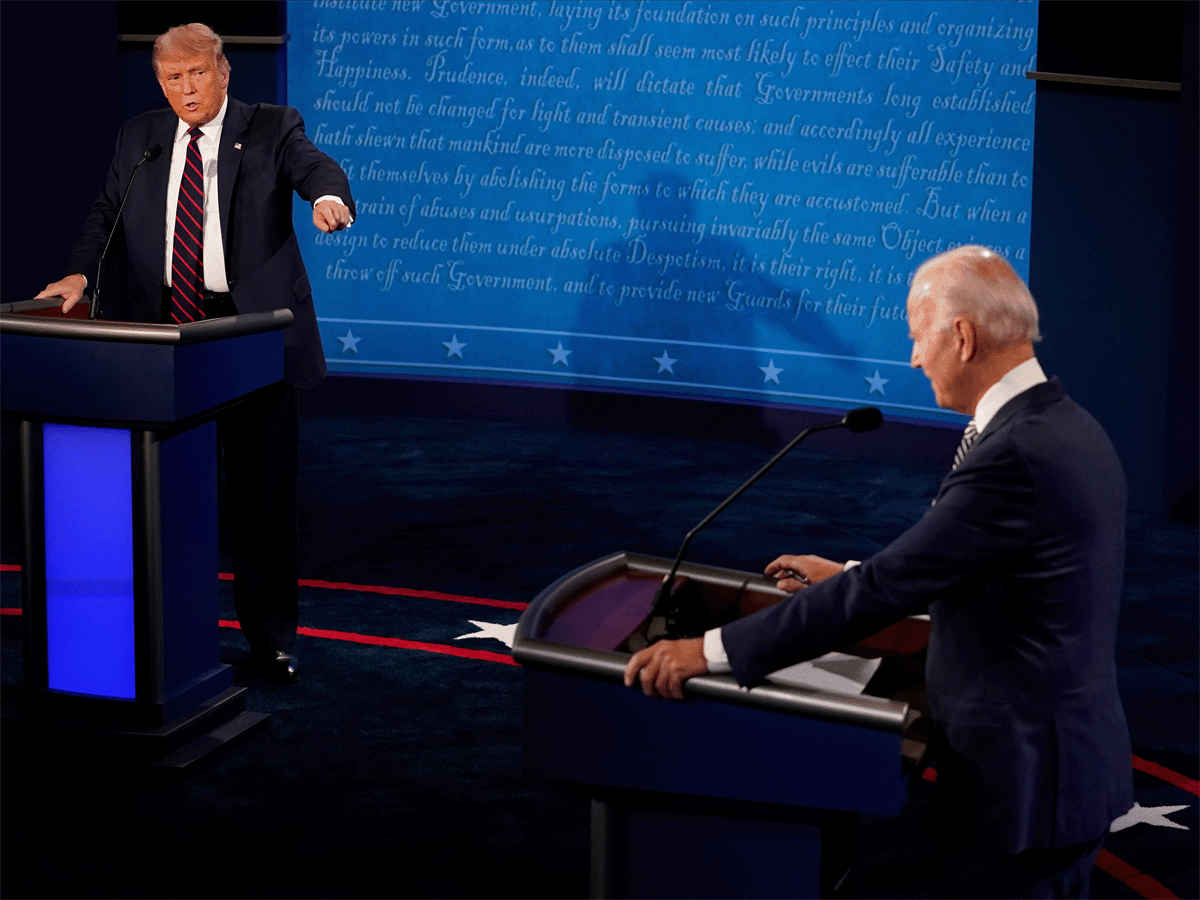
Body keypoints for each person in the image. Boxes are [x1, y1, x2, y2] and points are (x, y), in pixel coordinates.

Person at [624, 245, 1134, 898]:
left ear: (962, 336)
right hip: (1056, 769)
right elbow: (994, 572)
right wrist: (846, 572)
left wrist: (708, 651)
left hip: (1027, 786)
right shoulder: (1066, 424)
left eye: (919, 339)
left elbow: (889, 589)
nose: (915, 359)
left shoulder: (1016, 455)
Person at [37, 23, 355, 684]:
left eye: (197, 74)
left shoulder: (271, 125)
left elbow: (313, 167)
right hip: (159, 338)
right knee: (159, 494)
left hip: (248, 337)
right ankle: (160, 632)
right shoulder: (140, 137)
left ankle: (270, 639)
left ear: (224, 72)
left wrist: (328, 197)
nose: (186, 89)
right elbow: (106, 213)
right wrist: (80, 274)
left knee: (260, 499)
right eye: (173, 77)